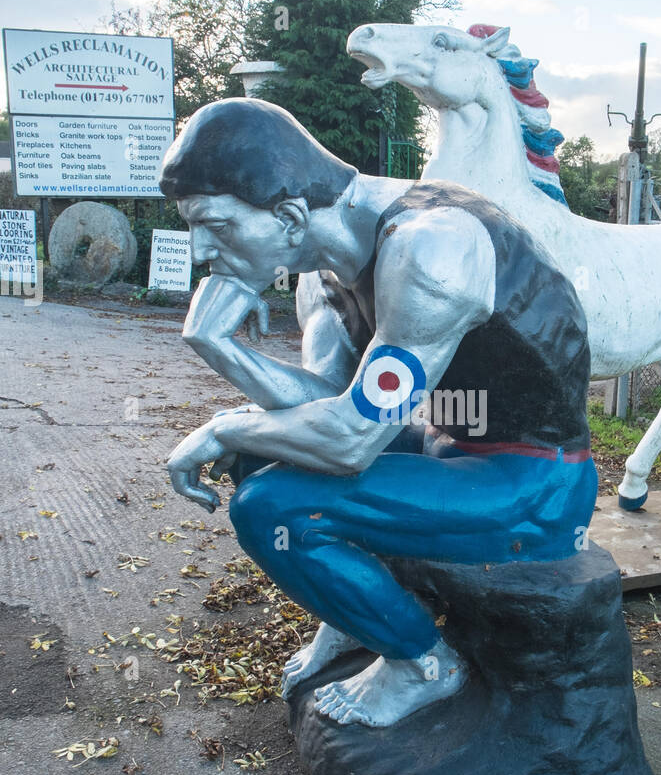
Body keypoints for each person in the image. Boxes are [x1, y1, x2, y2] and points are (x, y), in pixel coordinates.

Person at [161, 98, 597, 728]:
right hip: (449, 447)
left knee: (271, 505)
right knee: (263, 452)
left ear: (288, 215)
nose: (200, 250)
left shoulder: (429, 251)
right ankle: (354, 614)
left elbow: (350, 442)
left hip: (536, 481)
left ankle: (424, 664)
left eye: (217, 225)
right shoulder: (322, 266)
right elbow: (330, 406)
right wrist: (218, 344)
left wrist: (222, 425)